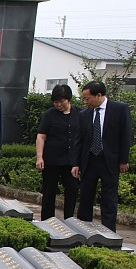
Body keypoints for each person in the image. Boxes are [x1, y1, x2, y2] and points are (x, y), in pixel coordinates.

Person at [73, 80, 131, 231]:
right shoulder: (84, 114)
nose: (85, 102)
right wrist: (76, 163)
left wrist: (124, 160)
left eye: (87, 98)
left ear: (99, 95)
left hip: (109, 160)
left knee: (109, 198)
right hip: (89, 160)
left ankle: (108, 232)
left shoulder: (119, 109)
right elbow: (79, 140)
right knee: (85, 197)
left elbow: (125, 135)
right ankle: (83, 229)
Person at [35, 84, 81, 219]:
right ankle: (47, 221)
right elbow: (41, 136)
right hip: (52, 160)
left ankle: (69, 220)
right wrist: (39, 157)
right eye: (55, 102)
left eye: (61, 101)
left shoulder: (80, 114)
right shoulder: (50, 115)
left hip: (72, 162)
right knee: (49, 192)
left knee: (72, 191)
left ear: (69, 99)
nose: (58, 104)